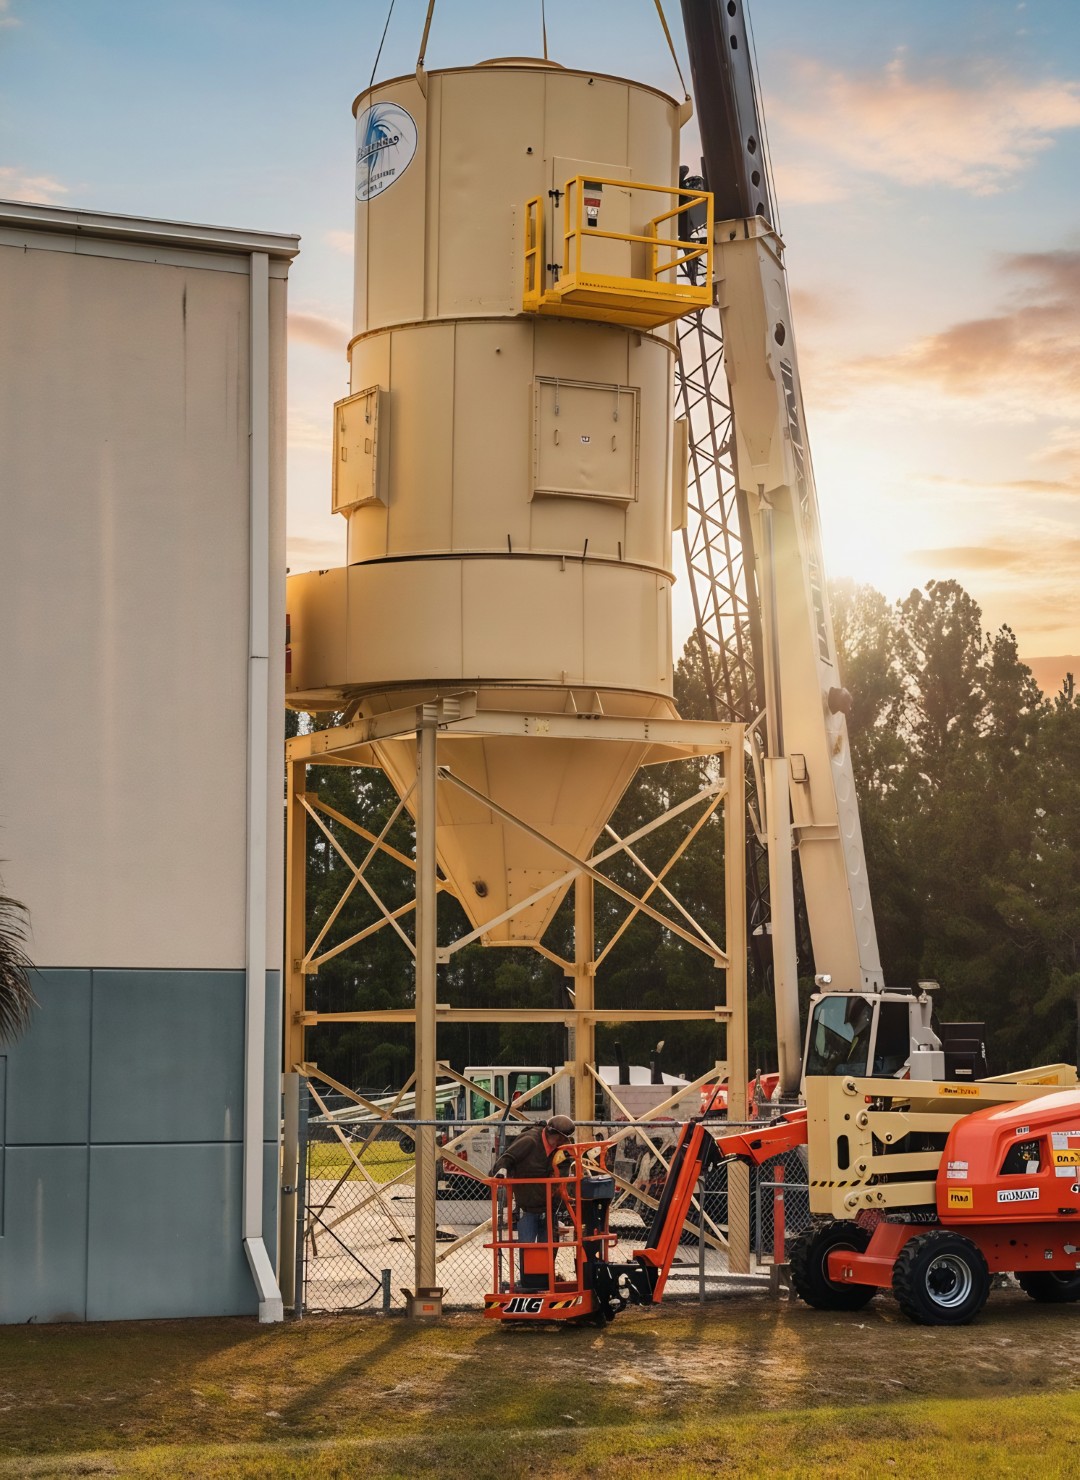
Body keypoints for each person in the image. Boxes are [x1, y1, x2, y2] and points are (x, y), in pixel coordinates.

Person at [491, 1114, 575, 1255]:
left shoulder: (563, 1149)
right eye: (559, 1139)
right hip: (527, 1207)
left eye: (563, 1140)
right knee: (528, 1252)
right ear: (552, 1134)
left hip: (549, 1208)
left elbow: (567, 1166)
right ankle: (528, 1277)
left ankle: (546, 1277)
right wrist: (501, 1171)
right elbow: (506, 1158)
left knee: (549, 1251)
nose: (560, 1143)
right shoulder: (529, 1141)